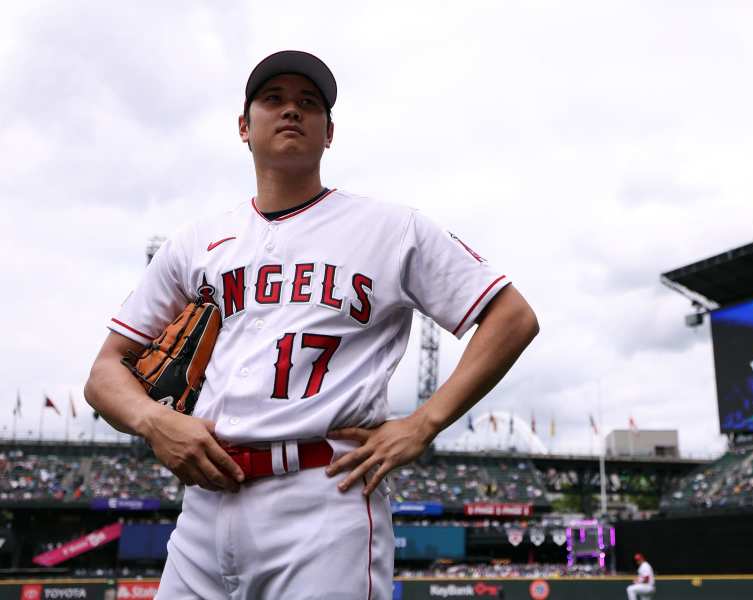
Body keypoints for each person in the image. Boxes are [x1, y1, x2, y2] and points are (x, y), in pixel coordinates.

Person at [84, 50, 539, 599]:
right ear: (244, 127)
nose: (291, 111)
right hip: (204, 506)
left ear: (329, 133)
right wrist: (153, 421)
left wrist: (424, 423)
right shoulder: (196, 242)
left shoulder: (390, 228)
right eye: (273, 100)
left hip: (323, 497)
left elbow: (511, 316)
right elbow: (105, 372)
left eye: (309, 103)